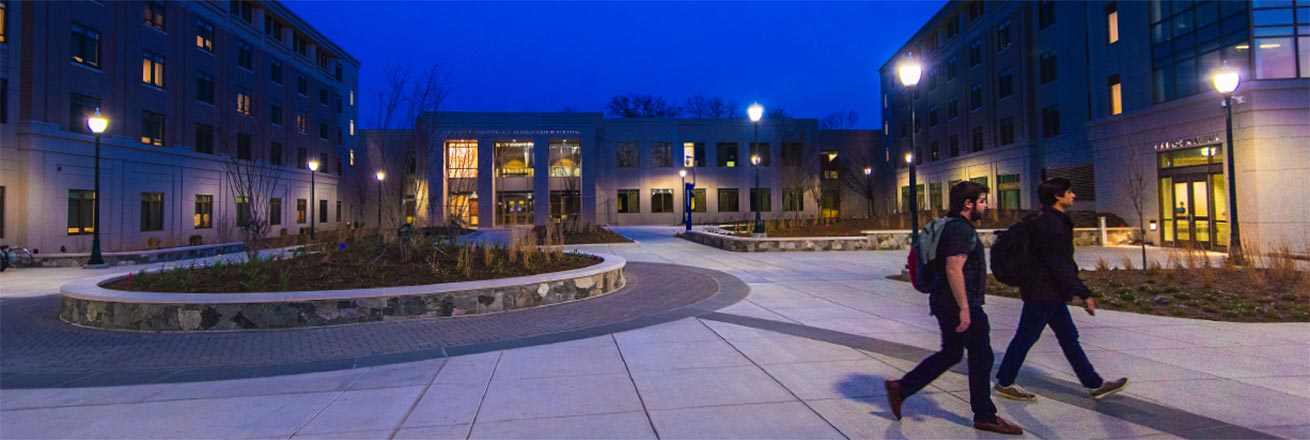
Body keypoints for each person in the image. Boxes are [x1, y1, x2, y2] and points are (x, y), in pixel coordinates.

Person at [886, 181, 1023, 435]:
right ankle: (985, 415)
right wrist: (964, 308)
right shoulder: (961, 230)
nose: (985, 205)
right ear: (968, 204)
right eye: (982, 201)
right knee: (982, 356)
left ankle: (901, 388)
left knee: (951, 353)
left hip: (943, 300)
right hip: (959, 302)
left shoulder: (950, 226)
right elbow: (953, 267)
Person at [993, 178, 1129, 402]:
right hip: (1043, 292)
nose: (1074, 195)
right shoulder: (1051, 226)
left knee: (1067, 337)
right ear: (1058, 196)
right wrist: (1083, 292)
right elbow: (1060, 264)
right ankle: (1005, 382)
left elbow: (1061, 263)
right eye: (1070, 191)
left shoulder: (1049, 221)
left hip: (1049, 292)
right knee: (1027, 337)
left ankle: (1095, 384)